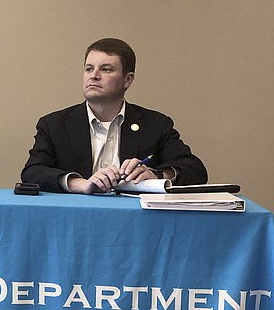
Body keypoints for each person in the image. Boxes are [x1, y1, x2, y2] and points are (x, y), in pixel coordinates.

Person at [21, 38, 207, 194]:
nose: (94, 76)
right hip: (76, 217)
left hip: (137, 220)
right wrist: (80, 184)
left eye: (106, 69)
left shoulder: (156, 124)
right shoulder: (54, 124)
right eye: (89, 68)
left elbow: (195, 170)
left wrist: (156, 175)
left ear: (128, 79)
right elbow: (33, 172)